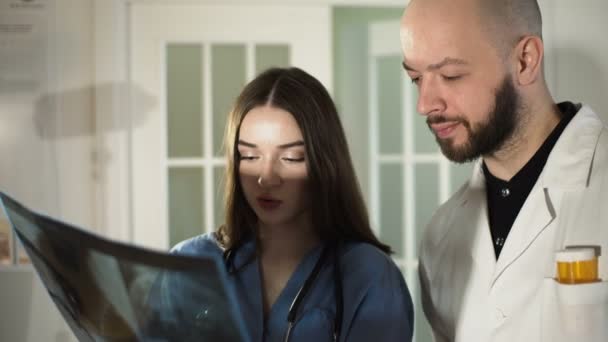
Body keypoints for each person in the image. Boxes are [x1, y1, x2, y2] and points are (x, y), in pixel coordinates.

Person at [155, 67, 414, 342]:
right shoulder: (189, 265)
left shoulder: (369, 277)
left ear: (324, 164)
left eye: (291, 158)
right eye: (249, 156)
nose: (266, 177)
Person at [400, 0, 608, 341]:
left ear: (525, 60)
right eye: (415, 78)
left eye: (451, 75)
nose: (425, 104)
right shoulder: (440, 236)